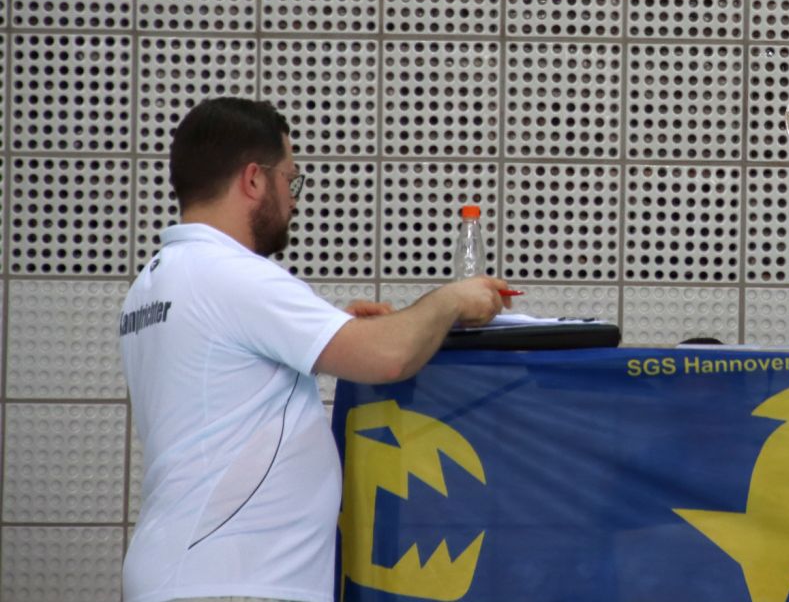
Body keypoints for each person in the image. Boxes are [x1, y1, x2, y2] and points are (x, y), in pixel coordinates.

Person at [118, 97, 513, 602]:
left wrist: (337, 331)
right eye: (290, 179)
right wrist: (452, 299)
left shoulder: (155, 285)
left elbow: (228, 385)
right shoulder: (233, 276)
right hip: (233, 579)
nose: (294, 200)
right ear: (254, 179)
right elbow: (388, 358)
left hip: (186, 570)